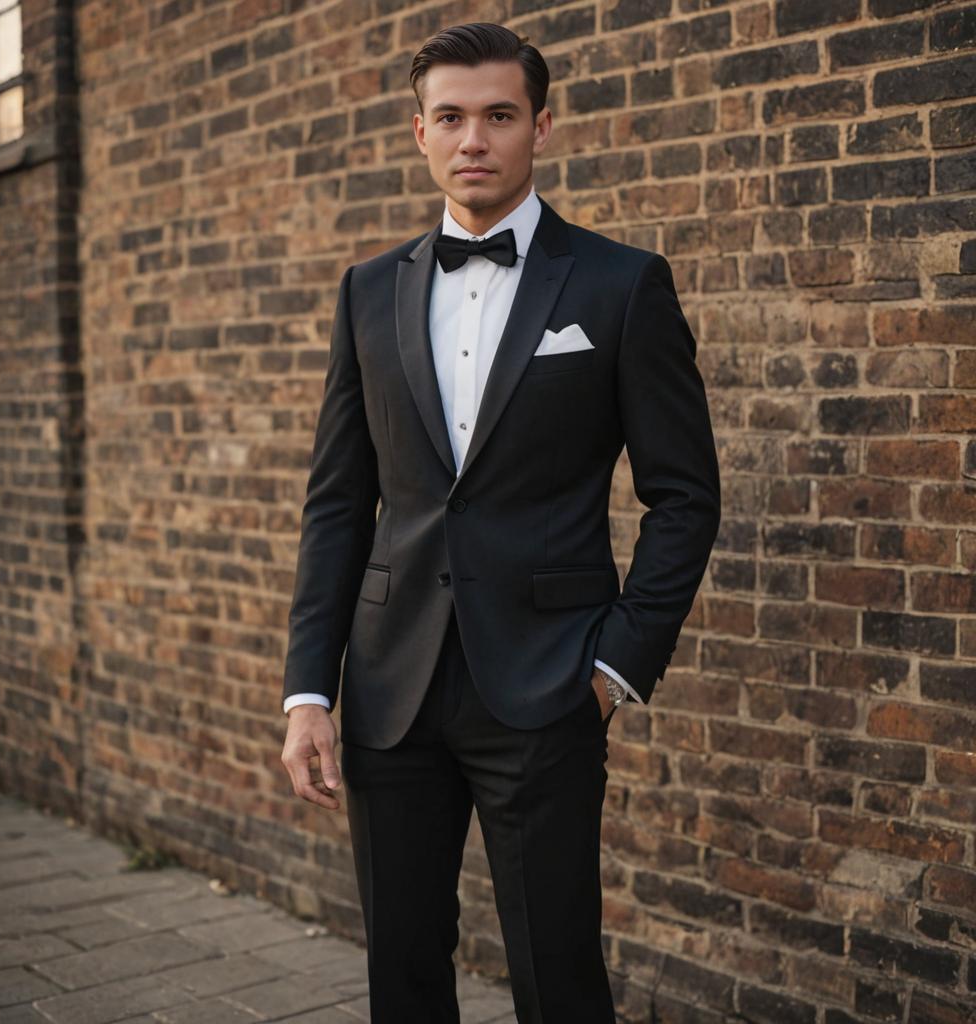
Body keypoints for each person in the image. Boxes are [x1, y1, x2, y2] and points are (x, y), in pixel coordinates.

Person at [279, 21, 722, 1023]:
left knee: (557, 973)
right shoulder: (366, 292)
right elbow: (339, 502)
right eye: (449, 117)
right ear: (418, 133)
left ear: (541, 127)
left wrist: (615, 667)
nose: (472, 137)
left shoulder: (619, 285)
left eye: (497, 115)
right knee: (400, 969)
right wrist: (309, 689)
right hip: (390, 689)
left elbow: (685, 494)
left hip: (549, 684)